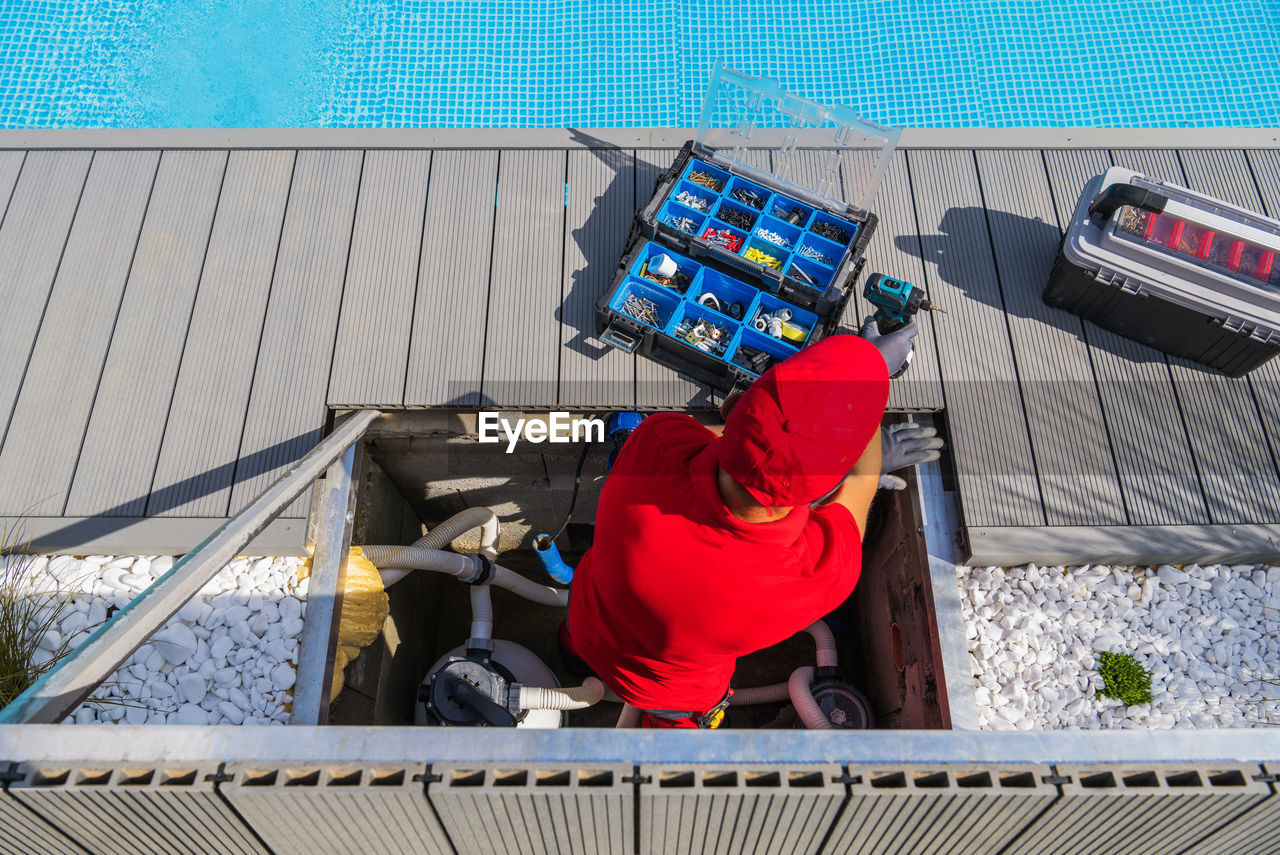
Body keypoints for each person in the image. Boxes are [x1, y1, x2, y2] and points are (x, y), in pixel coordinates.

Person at [561, 321, 942, 728]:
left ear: (731, 407)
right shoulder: (815, 574)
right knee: (677, 732)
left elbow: (745, 447)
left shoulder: (657, 442)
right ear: (830, 482)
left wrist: (857, 370)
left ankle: (566, 659)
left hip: (587, 621)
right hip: (671, 696)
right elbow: (859, 488)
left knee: (576, 643)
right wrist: (864, 386)